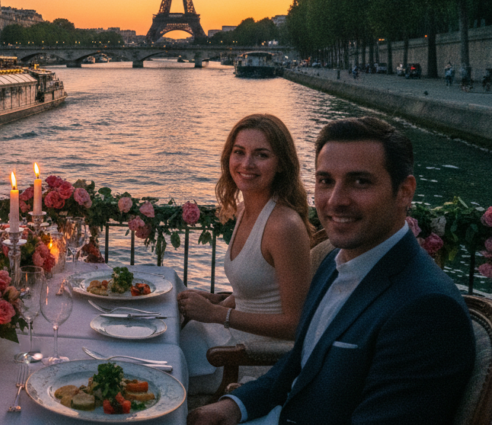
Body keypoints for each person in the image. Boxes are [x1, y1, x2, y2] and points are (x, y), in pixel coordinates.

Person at [189, 117, 474, 425]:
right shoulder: (334, 263)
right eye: (325, 181)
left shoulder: (427, 309)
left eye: (360, 182)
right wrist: (234, 406)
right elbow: (300, 361)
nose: (336, 200)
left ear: (404, 192)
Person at [178, 114, 313, 393]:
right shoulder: (244, 209)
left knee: (153, 366)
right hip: (228, 336)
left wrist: (216, 314)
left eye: (261, 155)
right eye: (239, 152)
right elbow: (258, 293)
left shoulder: (283, 226)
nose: (246, 164)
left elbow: (296, 325)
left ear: (281, 165)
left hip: (249, 357)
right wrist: (218, 300)